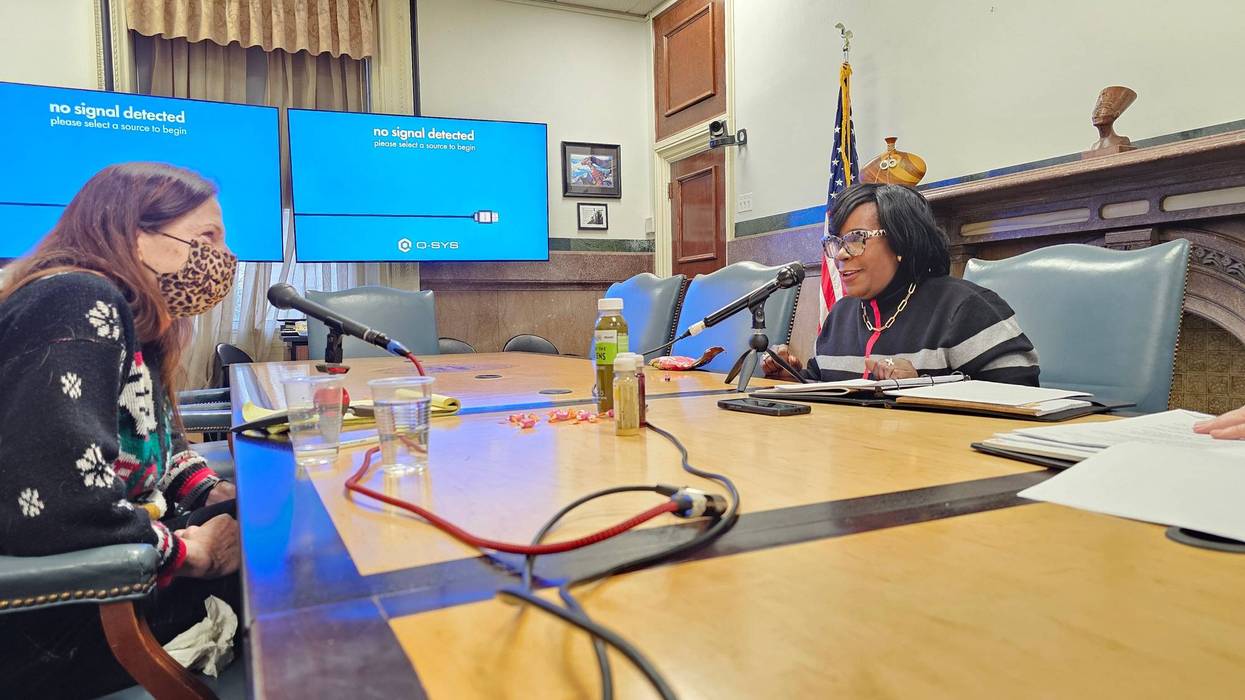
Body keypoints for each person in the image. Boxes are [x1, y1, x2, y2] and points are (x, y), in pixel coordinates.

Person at [0, 162, 241, 698]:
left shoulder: (126, 313)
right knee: (304, 567)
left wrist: (212, 492)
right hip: (69, 616)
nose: (224, 259)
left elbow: (158, 443)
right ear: (135, 235)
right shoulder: (77, 298)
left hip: (111, 571)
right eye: (206, 238)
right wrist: (193, 553)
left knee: (275, 515)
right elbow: (60, 505)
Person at [763, 183, 1040, 385]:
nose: (841, 255)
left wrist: (922, 387)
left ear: (901, 241)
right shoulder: (842, 314)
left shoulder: (966, 309)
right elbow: (826, 386)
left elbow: (1021, 398)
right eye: (835, 243)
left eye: (857, 239)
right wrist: (794, 377)